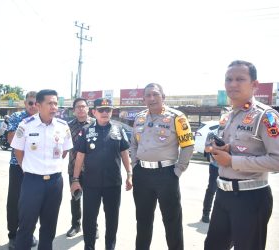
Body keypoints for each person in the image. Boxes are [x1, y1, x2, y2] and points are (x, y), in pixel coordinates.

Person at [204, 60, 279, 250]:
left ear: (254, 84)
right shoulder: (229, 115)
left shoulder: (266, 116)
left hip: (251, 198)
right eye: (229, 79)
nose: (233, 84)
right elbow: (240, 148)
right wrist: (222, 151)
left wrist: (232, 161)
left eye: (240, 79)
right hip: (223, 195)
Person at [130, 83, 194, 250]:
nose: (151, 98)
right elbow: (133, 144)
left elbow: (187, 145)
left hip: (167, 175)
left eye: (155, 94)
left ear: (163, 97)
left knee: (172, 221)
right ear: (143, 99)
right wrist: (135, 165)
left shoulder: (177, 117)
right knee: (143, 220)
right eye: (148, 95)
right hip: (142, 174)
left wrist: (178, 170)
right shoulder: (139, 117)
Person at [11, 89, 73, 250]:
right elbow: (18, 150)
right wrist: (27, 168)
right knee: (26, 226)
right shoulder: (26, 125)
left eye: (55, 103)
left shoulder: (62, 126)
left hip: (55, 182)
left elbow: (65, 150)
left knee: (49, 225)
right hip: (32, 182)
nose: (54, 107)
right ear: (38, 105)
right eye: (50, 103)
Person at [71, 98, 132, 250]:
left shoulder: (119, 129)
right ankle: (89, 247)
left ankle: (110, 247)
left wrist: (129, 174)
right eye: (101, 110)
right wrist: (75, 179)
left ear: (112, 112)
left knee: (112, 219)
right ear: (94, 112)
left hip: (113, 184)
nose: (105, 113)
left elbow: (125, 153)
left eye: (108, 110)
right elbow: (80, 156)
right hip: (91, 183)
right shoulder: (86, 130)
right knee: (89, 219)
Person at [6, 91, 38, 249]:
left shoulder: (43, 118)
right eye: (30, 103)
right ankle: (13, 235)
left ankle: (28, 232)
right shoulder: (16, 118)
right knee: (14, 201)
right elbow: (11, 139)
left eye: (35, 103)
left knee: (33, 202)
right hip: (17, 166)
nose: (33, 106)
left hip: (36, 168)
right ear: (25, 103)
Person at [66, 98, 95, 238]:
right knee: (75, 198)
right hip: (73, 168)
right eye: (78, 107)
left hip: (92, 169)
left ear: (88, 109)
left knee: (92, 200)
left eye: (83, 106)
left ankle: (93, 227)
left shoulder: (96, 124)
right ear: (74, 110)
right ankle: (75, 225)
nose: (81, 109)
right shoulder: (68, 126)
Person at [201, 131, 219, 223]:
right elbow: (207, 148)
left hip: (230, 167)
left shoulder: (236, 130)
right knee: (211, 189)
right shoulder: (213, 133)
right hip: (215, 166)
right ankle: (206, 213)